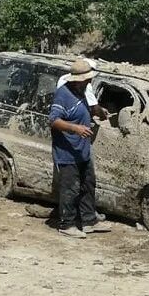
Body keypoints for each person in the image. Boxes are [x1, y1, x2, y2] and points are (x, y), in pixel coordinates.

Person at [49, 60, 111, 238]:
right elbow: (54, 120)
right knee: (71, 188)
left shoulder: (81, 92)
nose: (89, 82)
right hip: (67, 152)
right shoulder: (63, 95)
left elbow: (84, 111)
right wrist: (75, 129)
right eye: (87, 80)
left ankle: (89, 221)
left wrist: (99, 111)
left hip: (82, 150)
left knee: (88, 184)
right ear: (77, 80)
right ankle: (67, 224)